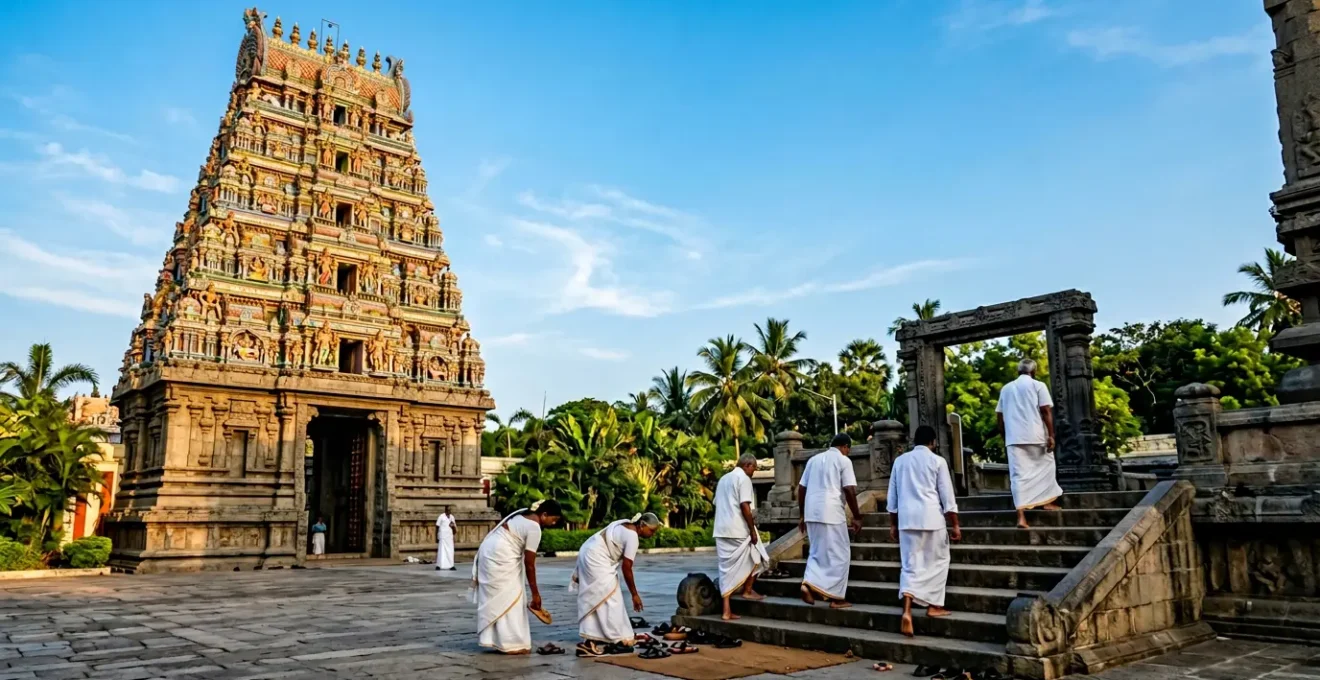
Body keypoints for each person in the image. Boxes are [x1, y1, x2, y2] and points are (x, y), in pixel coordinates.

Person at [887, 425, 961, 638]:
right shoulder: (937, 461)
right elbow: (947, 497)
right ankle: (934, 605)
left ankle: (907, 611)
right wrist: (955, 524)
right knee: (939, 561)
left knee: (910, 566)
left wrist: (893, 524)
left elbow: (892, 498)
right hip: (931, 519)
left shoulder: (900, 462)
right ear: (933, 442)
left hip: (907, 521)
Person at [472, 499, 563, 654]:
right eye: (553, 519)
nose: (553, 523)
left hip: (489, 551)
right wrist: (535, 594)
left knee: (502, 596)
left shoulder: (521, 516)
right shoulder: (534, 528)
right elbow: (529, 564)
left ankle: (495, 639)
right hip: (501, 555)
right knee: (511, 595)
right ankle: (511, 643)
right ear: (544, 514)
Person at [571, 513, 661, 657]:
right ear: (642, 525)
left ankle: (592, 640)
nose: (652, 534)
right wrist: (634, 595)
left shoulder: (625, 526)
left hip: (588, 551)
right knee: (611, 598)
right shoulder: (632, 536)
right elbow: (627, 568)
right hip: (596, 558)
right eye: (651, 530)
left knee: (598, 597)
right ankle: (615, 638)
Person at [996, 359, 1063, 529]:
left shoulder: (1006, 388)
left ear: (1018, 372)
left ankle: (1021, 517)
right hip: (1036, 435)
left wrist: (1005, 436)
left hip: (1014, 438)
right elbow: (1046, 410)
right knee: (1047, 467)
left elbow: (1000, 416)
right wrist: (1051, 435)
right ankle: (1047, 502)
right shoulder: (1038, 385)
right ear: (1034, 372)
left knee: (1018, 476)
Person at [798, 433, 862, 609]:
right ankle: (836, 598)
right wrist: (857, 516)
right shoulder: (843, 460)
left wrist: (802, 514)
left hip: (811, 511)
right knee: (841, 554)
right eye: (848, 449)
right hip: (831, 511)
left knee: (816, 552)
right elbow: (849, 489)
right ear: (845, 447)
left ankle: (808, 583)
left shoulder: (813, 460)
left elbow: (801, 488)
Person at [713, 453, 767, 621]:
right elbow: (745, 506)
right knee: (759, 555)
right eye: (754, 469)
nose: (753, 473)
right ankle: (747, 590)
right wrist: (752, 530)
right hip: (738, 528)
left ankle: (726, 610)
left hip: (721, 530)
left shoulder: (723, 479)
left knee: (726, 571)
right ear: (747, 465)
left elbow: (716, 503)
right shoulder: (743, 479)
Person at [435, 506, 457, 571]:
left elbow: (454, 528)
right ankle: (439, 565)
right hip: (443, 536)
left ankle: (451, 565)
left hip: (449, 537)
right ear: (445, 510)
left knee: (450, 551)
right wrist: (436, 536)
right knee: (441, 551)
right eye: (448, 510)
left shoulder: (452, 517)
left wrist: (453, 527)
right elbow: (437, 526)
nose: (449, 511)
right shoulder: (441, 516)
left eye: (450, 510)